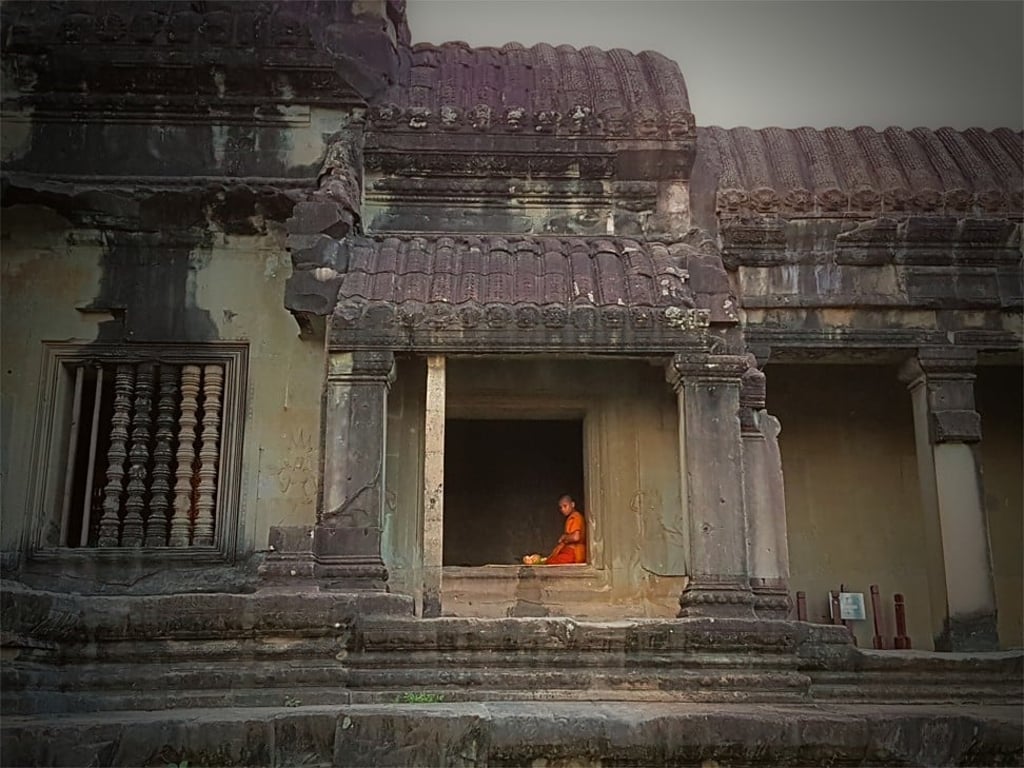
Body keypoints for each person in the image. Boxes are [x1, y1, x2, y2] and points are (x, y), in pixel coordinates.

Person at [545, 494, 587, 564]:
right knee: (550, 559)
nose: (563, 509)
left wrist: (564, 538)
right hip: (571, 552)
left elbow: (576, 537)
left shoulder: (576, 517)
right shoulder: (571, 517)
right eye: (561, 507)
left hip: (574, 553)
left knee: (550, 562)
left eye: (565, 506)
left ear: (573, 504)